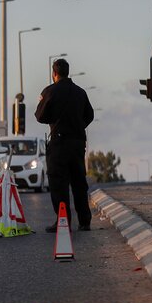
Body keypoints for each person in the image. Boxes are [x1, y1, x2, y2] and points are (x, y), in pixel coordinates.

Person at [35, 58, 95, 232]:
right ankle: (85, 221)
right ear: (68, 72)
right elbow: (89, 115)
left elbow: (40, 116)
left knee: (58, 183)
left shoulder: (50, 92)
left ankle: (63, 221)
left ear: (54, 74)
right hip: (77, 143)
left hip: (59, 143)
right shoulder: (80, 92)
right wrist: (78, 125)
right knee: (78, 182)